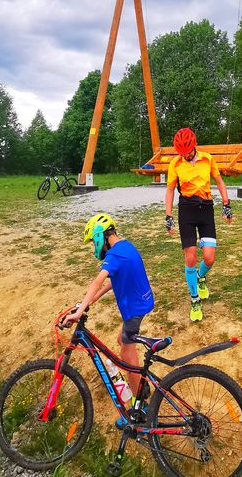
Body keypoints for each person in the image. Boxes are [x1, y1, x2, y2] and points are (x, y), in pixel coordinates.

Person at [66, 213, 154, 422]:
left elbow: (98, 280)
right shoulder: (124, 247)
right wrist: (90, 301)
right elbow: (113, 281)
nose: (92, 248)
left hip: (134, 309)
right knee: (122, 341)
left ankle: (139, 404)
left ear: (100, 237)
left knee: (127, 351)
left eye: (92, 243)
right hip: (140, 304)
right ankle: (140, 387)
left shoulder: (114, 256)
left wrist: (80, 311)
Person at [165, 127, 233, 322]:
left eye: (187, 151)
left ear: (194, 146)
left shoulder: (207, 159)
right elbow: (170, 191)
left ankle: (201, 278)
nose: (185, 155)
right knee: (190, 257)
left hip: (206, 208)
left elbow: (219, 181)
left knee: (209, 258)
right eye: (181, 152)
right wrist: (168, 216)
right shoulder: (175, 164)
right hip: (186, 209)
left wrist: (226, 204)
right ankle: (194, 300)